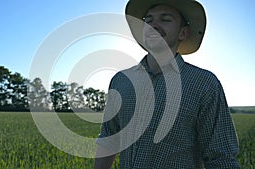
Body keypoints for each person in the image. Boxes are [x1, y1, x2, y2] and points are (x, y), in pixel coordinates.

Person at [94, 0, 240, 168]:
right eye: (148, 20)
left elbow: (221, 158)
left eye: (165, 19)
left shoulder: (204, 84)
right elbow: (108, 140)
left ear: (183, 33)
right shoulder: (120, 81)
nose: (153, 25)